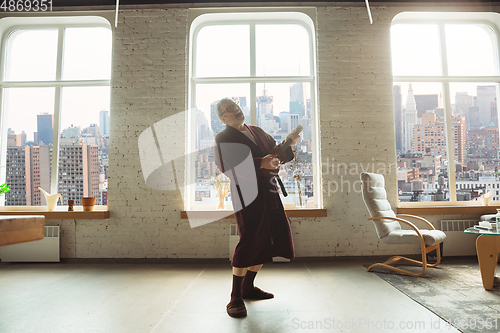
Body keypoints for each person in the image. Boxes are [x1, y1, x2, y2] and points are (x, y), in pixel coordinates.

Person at [214, 98, 300, 318]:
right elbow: (228, 166)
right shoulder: (223, 138)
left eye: (236, 105)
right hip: (246, 193)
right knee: (250, 239)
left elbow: (275, 153)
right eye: (229, 109)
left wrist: (288, 144)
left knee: (269, 237)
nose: (236, 109)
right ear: (223, 118)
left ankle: (248, 287)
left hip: (269, 191)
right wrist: (260, 162)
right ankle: (235, 296)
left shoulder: (258, 131)